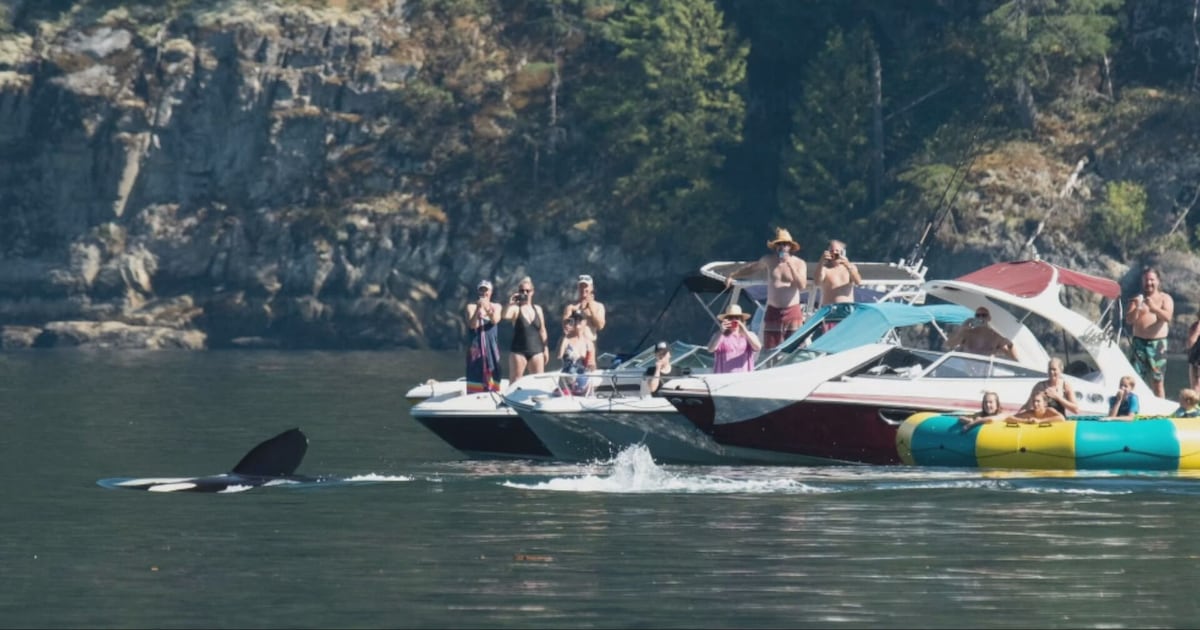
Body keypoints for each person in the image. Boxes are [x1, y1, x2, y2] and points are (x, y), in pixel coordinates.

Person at [725, 227, 807, 350]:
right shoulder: (769, 260)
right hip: (773, 311)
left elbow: (802, 285)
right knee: (770, 347)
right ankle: (771, 367)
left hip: (792, 311)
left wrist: (790, 265)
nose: (782, 247)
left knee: (795, 347)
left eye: (785, 244)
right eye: (779, 244)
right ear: (775, 247)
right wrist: (733, 275)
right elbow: (752, 268)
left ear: (790, 247)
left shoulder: (799, 263)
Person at [1126, 267, 1173, 398]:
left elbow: (1168, 317)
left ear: (1158, 281)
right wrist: (1138, 310)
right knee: (1134, 380)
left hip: (1157, 345)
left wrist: (1154, 308)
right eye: (1146, 280)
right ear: (1142, 282)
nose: (1149, 283)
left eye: (1152, 280)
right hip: (1138, 344)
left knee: (1158, 382)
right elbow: (1129, 320)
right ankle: (1133, 409)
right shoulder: (1136, 299)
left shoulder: (1165, 298)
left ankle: (1161, 413)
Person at [504, 276, 549, 382]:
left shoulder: (538, 309)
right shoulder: (515, 309)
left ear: (532, 292)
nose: (525, 293)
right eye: (522, 291)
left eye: (527, 291)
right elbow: (504, 316)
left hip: (537, 350)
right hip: (519, 351)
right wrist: (509, 304)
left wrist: (546, 348)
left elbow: (542, 330)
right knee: (515, 382)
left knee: (539, 381)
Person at [465, 279, 503, 393]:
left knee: (494, 373)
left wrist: (487, 308)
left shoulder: (497, 306)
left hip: (491, 348)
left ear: (491, 292)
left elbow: (495, 320)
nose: (483, 293)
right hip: (476, 348)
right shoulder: (471, 307)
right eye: (481, 290)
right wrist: (478, 309)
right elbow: (472, 325)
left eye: (486, 290)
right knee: (475, 375)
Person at [944, 306, 1018, 361]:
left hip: (986, 376)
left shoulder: (996, 336)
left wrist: (1010, 345)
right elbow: (947, 345)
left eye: (984, 315)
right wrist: (961, 329)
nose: (981, 318)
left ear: (989, 318)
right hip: (967, 375)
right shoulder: (967, 333)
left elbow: (1013, 358)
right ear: (974, 318)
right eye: (978, 315)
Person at [706, 303, 763, 373]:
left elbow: (758, 347)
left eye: (737, 318)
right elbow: (710, 349)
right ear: (726, 320)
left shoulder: (749, 335)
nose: (734, 320)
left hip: (744, 378)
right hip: (723, 377)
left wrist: (744, 330)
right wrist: (721, 332)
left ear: (742, 320)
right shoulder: (719, 336)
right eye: (730, 318)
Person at [557, 315, 596, 396]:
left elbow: (592, 363)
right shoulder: (565, 340)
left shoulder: (589, 342)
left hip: (582, 380)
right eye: (575, 320)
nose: (577, 322)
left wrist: (591, 365)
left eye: (580, 320)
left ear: (585, 322)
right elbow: (559, 357)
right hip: (567, 379)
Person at [815, 239, 862, 306]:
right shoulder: (825, 269)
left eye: (837, 251)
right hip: (830, 309)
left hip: (847, 309)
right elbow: (817, 282)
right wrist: (821, 261)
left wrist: (848, 266)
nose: (834, 253)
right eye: (831, 251)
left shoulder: (850, 267)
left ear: (842, 253)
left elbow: (858, 282)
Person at [562, 274, 606, 344]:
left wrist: (591, 309)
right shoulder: (571, 307)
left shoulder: (599, 306)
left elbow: (600, 326)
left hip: (590, 343)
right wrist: (574, 314)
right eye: (581, 286)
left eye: (586, 286)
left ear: (591, 287)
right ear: (578, 288)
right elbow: (566, 328)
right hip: (574, 345)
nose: (583, 289)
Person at [1186, 308, 1200, 390]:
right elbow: (1190, 343)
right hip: (1195, 360)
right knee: (1195, 386)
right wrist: (1197, 332)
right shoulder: (1195, 327)